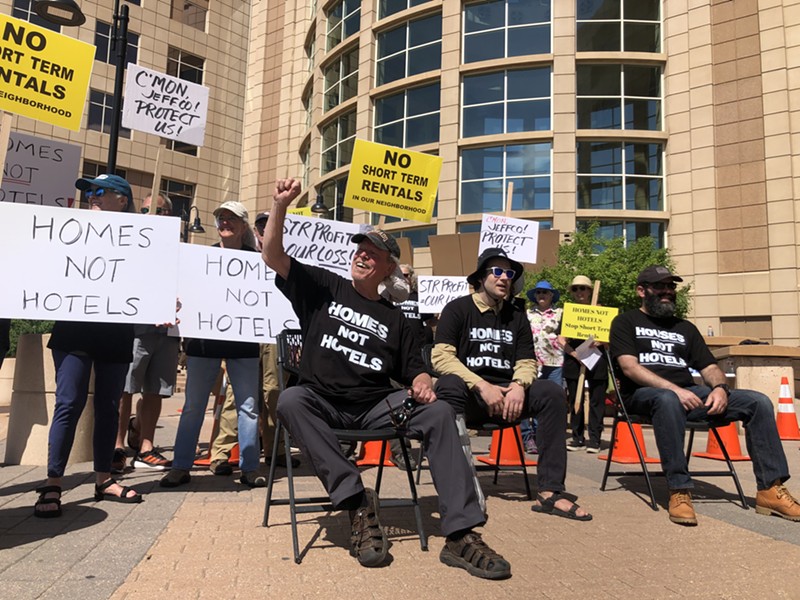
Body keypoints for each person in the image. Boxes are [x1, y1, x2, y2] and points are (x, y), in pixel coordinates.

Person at [263, 178, 511, 579]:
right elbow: (273, 254)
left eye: (373, 253)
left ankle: (461, 535)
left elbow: (415, 368)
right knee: (290, 400)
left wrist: (424, 381)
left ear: (388, 267)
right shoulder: (325, 287)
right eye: (360, 250)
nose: (362, 256)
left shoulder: (397, 319)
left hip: (376, 407)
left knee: (441, 412)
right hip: (322, 402)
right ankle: (357, 501)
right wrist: (280, 207)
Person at [610, 265, 800, 526]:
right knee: (667, 399)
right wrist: (674, 390)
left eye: (671, 286)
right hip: (643, 395)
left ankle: (770, 489)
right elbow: (629, 367)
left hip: (690, 395)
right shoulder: (625, 322)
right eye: (659, 286)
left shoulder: (684, 328)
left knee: (758, 402)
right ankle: (679, 489)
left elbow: (710, 367)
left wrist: (721, 389)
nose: (667, 291)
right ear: (641, 291)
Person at [432, 248, 592, 522]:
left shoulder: (516, 315)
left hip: (509, 398)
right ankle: (459, 490)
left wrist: (519, 384)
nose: (505, 277)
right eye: (497, 271)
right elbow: (441, 357)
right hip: (471, 397)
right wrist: (482, 385)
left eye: (509, 273)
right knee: (448, 386)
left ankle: (551, 491)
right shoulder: (457, 309)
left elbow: (528, 360)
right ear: (481, 277)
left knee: (551, 392)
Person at [34, 174, 145, 518]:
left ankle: (103, 478)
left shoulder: (140, 241)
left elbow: (148, 281)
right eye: (89, 192)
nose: (92, 197)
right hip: (74, 329)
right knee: (69, 403)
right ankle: (53, 482)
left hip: (114, 329)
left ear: (122, 201)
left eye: (101, 192)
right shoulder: (70, 231)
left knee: (109, 407)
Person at [160, 200, 264, 489]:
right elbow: (183, 292)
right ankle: (180, 466)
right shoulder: (201, 257)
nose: (225, 223)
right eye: (221, 218)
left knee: (248, 406)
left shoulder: (257, 261)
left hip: (242, 342)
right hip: (203, 343)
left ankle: (250, 467)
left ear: (244, 226)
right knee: (194, 406)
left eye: (232, 219)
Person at [208, 210, 299, 474]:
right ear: (255, 230)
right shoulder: (243, 255)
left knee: (273, 392)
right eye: (261, 226)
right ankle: (221, 453)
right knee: (237, 394)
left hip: (275, 334)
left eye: (269, 225)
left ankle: (276, 450)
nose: (264, 230)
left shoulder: (287, 258)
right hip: (243, 331)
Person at [114, 193, 180, 472]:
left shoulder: (179, 250)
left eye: (160, 211)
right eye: (145, 210)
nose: (153, 214)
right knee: (125, 387)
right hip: (136, 329)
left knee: (156, 390)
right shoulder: (129, 245)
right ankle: (116, 447)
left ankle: (146, 447)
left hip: (168, 331)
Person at [562, 275, 608, 453]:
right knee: (575, 399)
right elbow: (561, 340)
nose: (579, 292)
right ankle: (577, 437)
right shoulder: (569, 312)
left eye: (583, 288)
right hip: (575, 361)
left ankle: (595, 439)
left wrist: (602, 341)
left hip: (597, 360)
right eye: (575, 289)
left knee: (597, 401)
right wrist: (575, 354)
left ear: (590, 291)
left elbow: (610, 338)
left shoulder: (601, 311)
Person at [523, 280, 566, 454]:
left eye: (545, 292)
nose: (541, 295)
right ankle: (527, 436)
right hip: (531, 363)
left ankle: (543, 437)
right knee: (526, 398)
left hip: (554, 362)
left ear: (551, 296)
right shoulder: (526, 314)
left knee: (550, 401)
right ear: (534, 295)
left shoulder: (561, 314)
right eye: (539, 292)